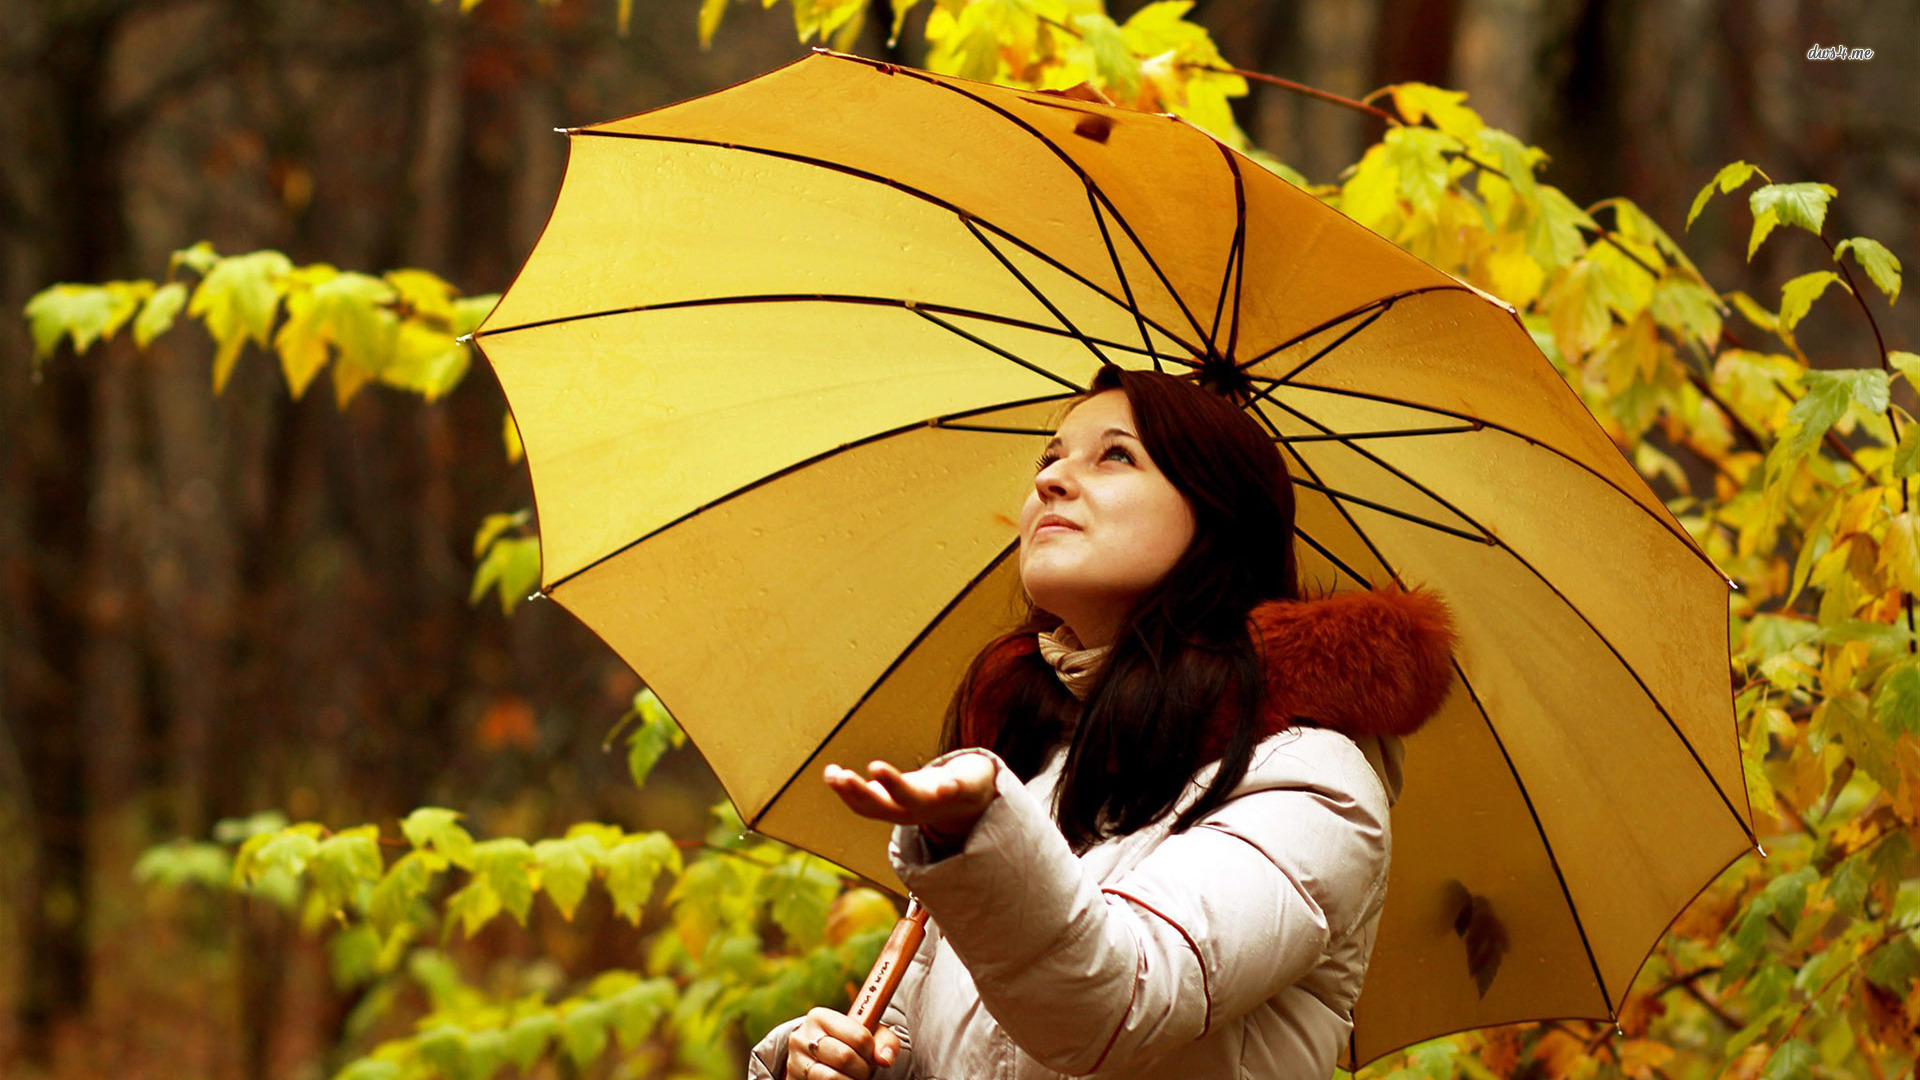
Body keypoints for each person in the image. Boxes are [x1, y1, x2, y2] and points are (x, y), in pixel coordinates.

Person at [748, 365, 1457, 1080]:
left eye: (1115, 455)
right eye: (1049, 458)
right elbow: (937, 1047)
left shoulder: (1310, 778)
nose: (1050, 482)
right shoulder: (1033, 756)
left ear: (1217, 516)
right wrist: (849, 1063)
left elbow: (1115, 1004)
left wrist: (981, 832)